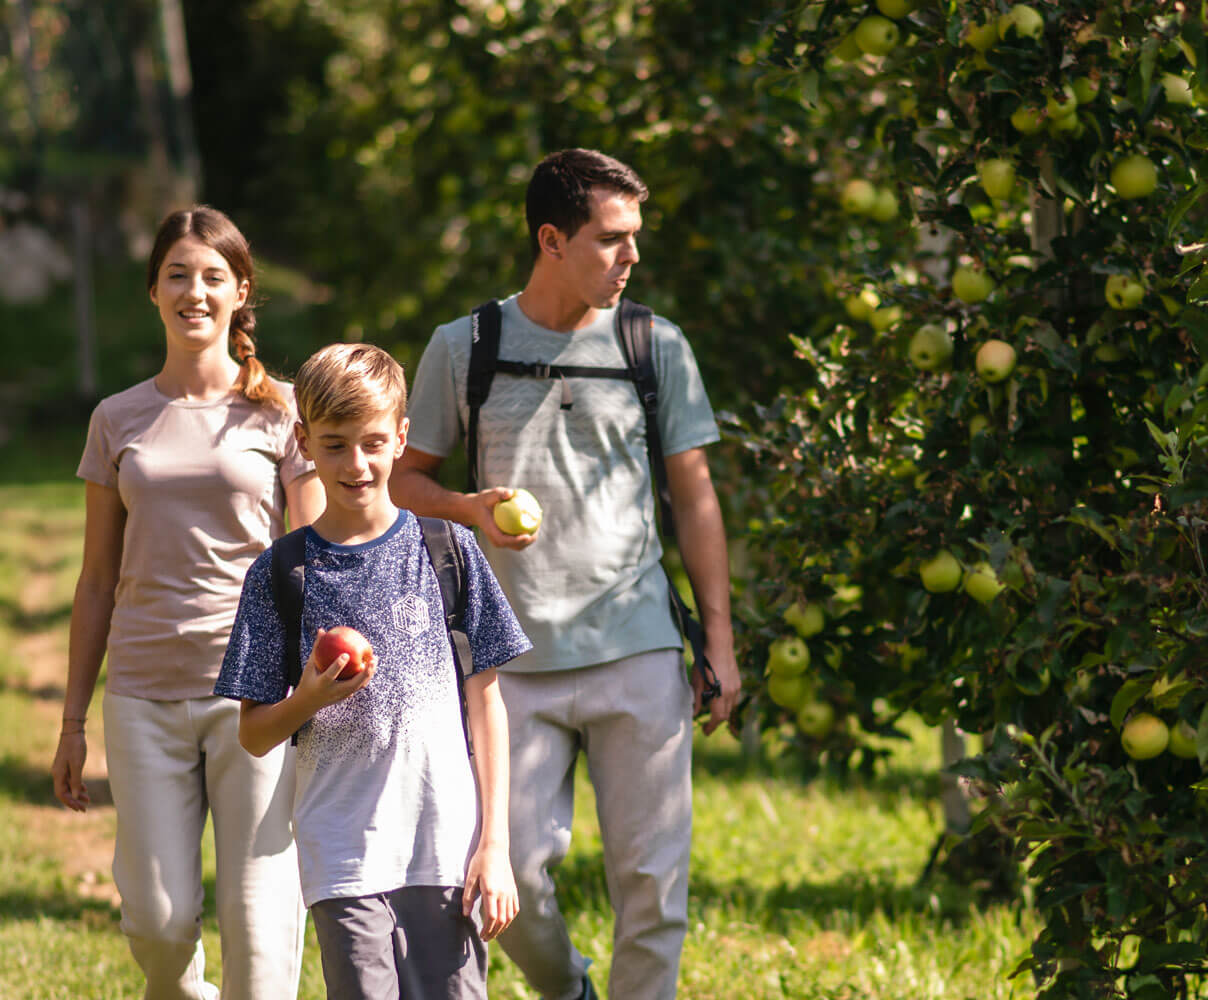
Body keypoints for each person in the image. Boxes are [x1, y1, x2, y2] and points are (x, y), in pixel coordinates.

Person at [391, 147, 742, 1000]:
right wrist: (471, 508)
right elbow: (404, 478)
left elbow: (695, 500)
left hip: (639, 648)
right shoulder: (465, 344)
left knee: (653, 891)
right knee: (507, 888)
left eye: (635, 239)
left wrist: (720, 645)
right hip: (508, 663)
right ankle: (570, 991)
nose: (631, 258)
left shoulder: (652, 344)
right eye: (611, 239)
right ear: (551, 238)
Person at [53, 205, 321, 1000]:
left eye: (212, 277)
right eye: (177, 275)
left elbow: (310, 560)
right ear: (153, 292)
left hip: (257, 698)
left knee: (262, 938)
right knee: (158, 924)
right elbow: (97, 579)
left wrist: (315, 690)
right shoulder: (118, 418)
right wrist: (73, 722)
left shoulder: (283, 410)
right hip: (143, 694)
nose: (194, 292)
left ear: (241, 292)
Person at [213, 343, 528, 999]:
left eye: (373, 442)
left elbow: (488, 704)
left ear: (401, 438)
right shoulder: (280, 573)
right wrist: (308, 696)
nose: (356, 464)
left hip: (446, 850)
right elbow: (254, 733)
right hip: (344, 853)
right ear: (302, 441)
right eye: (333, 445)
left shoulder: (449, 550)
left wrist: (494, 845)